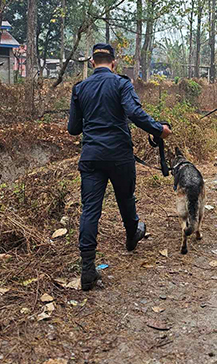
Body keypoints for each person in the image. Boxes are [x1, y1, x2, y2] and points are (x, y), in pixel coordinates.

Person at [67, 43, 172, 291]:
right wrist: (159, 130)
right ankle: (131, 235)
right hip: (119, 155)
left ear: (93, 62)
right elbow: (134, 113)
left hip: (91, 157)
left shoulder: (80, 88)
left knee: (90, 209)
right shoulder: (122, 83)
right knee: (126, 198)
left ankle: (88, 269)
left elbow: (73, 129)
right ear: (113, 63)